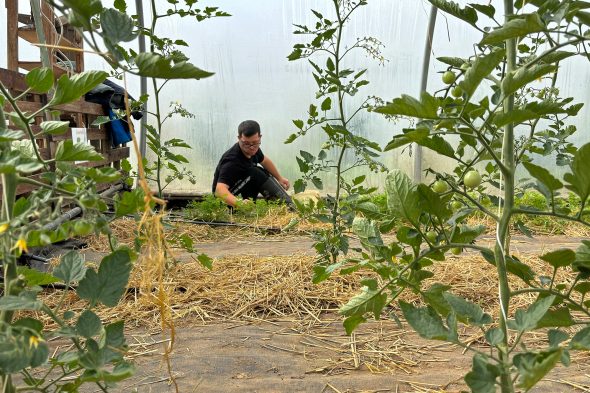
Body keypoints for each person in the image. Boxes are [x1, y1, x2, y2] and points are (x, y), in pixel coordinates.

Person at [212, 120, 293, 208]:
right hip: (225, 203)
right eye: (246, 143)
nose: (251, 147)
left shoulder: (254, 149)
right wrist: (239, 203)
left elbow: (264, 161)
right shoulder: (231, 160)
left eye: (255, 143)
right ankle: (287, 208)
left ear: (260, 137)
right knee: (254, 173)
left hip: (242, 193)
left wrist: (279, 178)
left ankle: (287, 206)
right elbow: (219, 191)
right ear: (239, 138)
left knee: (260, 171)